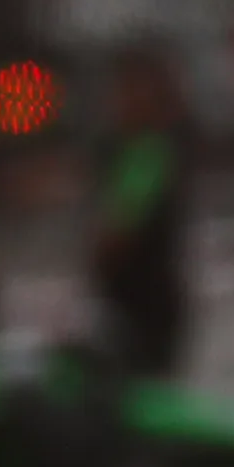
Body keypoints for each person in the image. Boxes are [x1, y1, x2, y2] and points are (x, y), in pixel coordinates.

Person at [90, 48, 192, 380]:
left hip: (144, 303)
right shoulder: (133, 149)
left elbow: (121, 227)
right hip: (145, 300)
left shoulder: (147, 152)